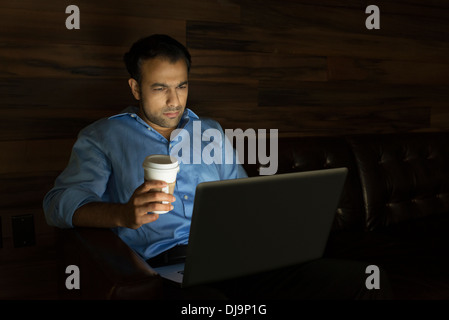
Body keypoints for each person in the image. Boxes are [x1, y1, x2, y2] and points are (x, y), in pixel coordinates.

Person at [43, 34, 393, 300]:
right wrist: (123, 215)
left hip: (234, 257)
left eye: (181, 86)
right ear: (135, 87)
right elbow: (56, 205)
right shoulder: (102, 136)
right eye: (160, 88)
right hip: (164, 269)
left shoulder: (209, 130)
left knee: (366, 282)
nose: (174, 100)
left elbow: (240, 198)